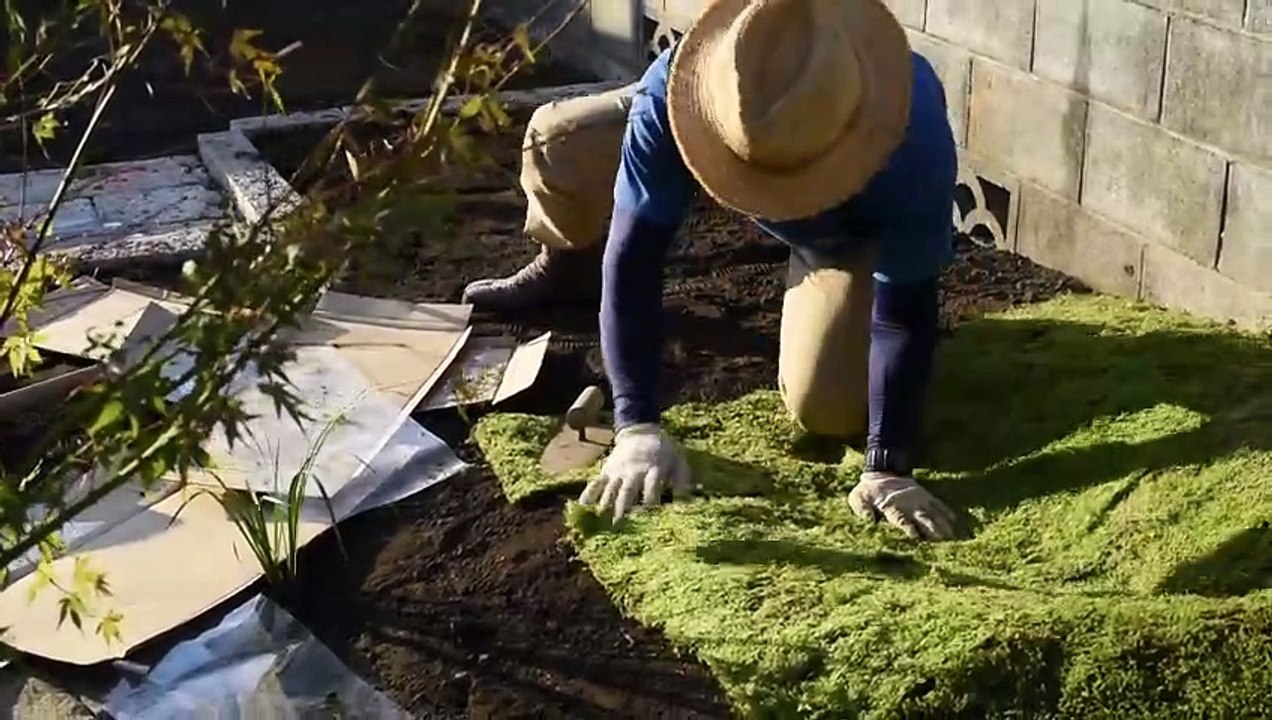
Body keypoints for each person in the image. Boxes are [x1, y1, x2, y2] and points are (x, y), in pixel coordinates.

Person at [463, 0, 963, 541]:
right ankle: (568, 266)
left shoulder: (911, 146)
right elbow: (634, 260)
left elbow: (902, 318)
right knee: (559, 137)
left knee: (830, 412)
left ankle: (829, 289)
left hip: (845, 240)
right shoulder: (686, 89)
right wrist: (637, 427)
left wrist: (886, 466)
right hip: (725, 109)